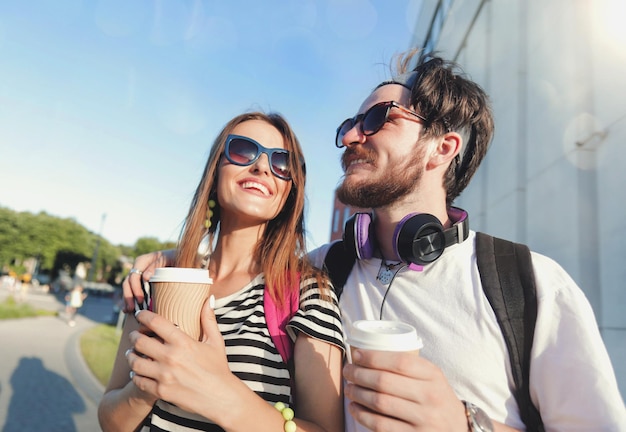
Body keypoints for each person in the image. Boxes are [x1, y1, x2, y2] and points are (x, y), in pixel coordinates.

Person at [123, 52, 626, 431]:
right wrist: (166, 262)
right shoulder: (324, 273)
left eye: (374, 120)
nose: (349, 139)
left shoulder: (528, 284)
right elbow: (243, 264)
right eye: (347, 126)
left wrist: (467, 425)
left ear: (441, 147)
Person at [98, 112, 345, 432]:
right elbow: (110, 420)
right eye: (243, 150)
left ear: (289, 192)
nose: (261, 167)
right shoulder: (159, 280)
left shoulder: (309, 293)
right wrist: (145, 388)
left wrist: (221, 394)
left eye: (282, 163)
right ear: (215, 173)